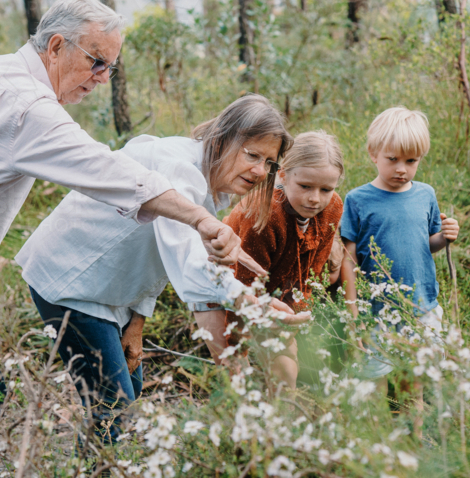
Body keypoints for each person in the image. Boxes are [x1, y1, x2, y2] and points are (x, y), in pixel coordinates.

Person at [0, 0, 241, 474]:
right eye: (96, 62)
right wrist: (200, 218)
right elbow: (104, 168)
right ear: (57, 45)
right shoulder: (26, 106)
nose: (102, 79)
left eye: (110, 68)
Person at [16, 95, 306, 443]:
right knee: (113, 405)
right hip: (71, 282)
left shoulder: (214, 185)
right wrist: (248, 302)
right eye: (252, 154)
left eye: (269, 162)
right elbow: (184, 253)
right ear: (221, 138)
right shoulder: (177, 167)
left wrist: (137, 321)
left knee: (130, 387)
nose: (260, 170)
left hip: (110, 290)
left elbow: (159, 254)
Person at [221, 131, 356, 388]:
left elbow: (312, 274)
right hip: (226, 290)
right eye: (305, 186)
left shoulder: (332, 207)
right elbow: (242, 284)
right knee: (239, 374)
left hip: (280, 291)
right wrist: (238, 348)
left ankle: (283, 420)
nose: (315, 198)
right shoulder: (264, 216)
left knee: (288, 366)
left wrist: (299, 323)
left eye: (326, 189)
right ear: (282, 174)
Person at [340, 107, 460, 378]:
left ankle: (414, 419)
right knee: (376, 381)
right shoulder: (357, 200)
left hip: (422, 307)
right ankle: (381, 420)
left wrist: (444, 236)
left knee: (414, 380)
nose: (401, 169)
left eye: (411, 161)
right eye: (392, 159)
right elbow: (348, 259)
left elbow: (424, 243)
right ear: (373, 153)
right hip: (377, 311)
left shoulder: (425, 194)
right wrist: (353, 312)